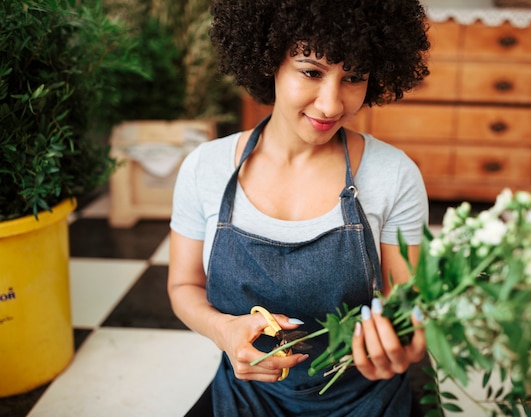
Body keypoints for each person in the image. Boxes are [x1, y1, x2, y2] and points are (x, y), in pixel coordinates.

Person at [167, 0, 431, 415]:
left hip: (366, 401)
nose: (330, 105)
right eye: (310, 71)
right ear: (269, 61)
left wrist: (408, 341)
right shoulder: (206, 168)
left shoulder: (394, 175)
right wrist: (223, 330)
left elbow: (409, 303)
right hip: (243, 398)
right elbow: (183, 288)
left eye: (354, 78)